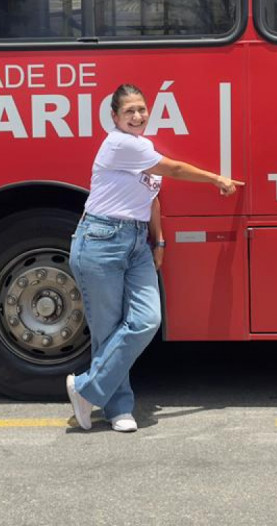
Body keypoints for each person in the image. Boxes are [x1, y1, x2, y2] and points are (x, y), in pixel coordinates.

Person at [66, 83, 242, 432]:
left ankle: (85, 390)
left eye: (141, 109)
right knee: (108, 331)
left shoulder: (143, 148)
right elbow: (174, 170)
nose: (137, 116)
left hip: (136, 242)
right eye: (129, 111)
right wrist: (215, 179)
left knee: (147, 320)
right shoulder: (118, 144)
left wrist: (158, 242)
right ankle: (119, 409)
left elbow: (152, 197)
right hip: (101, 240)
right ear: (114, 118)